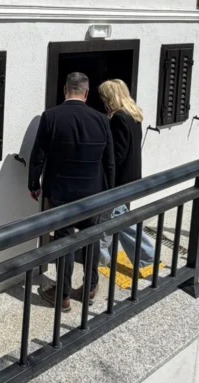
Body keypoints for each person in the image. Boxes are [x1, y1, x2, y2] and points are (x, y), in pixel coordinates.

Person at [28, 72, 115, 311]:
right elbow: (109, 162)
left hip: (60, 191)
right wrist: (109, 192)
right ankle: (90, 288)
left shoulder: (51, 116)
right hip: (93, 192)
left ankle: (63, 296)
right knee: (91, 237)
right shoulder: (101, 119)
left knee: (64, 240)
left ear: (65, 90)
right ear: (86, 93)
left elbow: (38, 154)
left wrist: (34, 184)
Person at [96, 79, 155, 269]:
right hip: (130, 177)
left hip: (119, 181)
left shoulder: (119, 118)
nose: (102, 100)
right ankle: (103, 257)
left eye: (104, 96)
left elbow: (117, 155)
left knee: (113, 219)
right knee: (111, 219)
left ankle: (146, 255)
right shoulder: (133, 114)